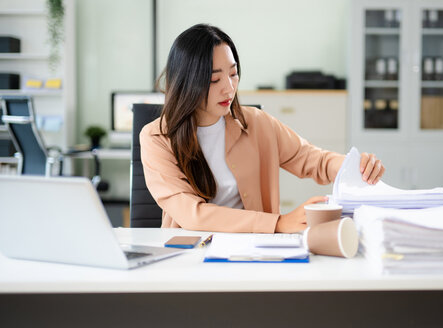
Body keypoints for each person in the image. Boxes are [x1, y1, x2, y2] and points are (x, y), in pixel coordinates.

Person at [140, 24, 385, 233]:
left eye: (233, 74)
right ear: (187, 82)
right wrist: (278, 223)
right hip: (190, 256)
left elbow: (311, 159)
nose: (229, 88)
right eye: (215, 79)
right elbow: (192, 215)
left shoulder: (255, 122)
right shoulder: (156, 138)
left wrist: (353, 166)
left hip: (256, 251)